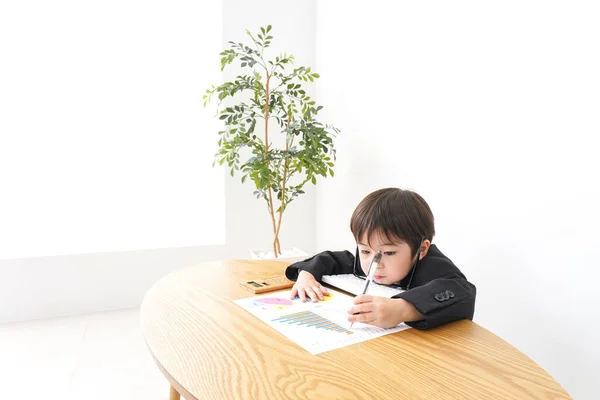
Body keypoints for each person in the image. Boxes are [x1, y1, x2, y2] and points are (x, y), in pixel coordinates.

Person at [285, 188, 476, 330]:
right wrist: (306, 274)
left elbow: (462, 292)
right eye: (365, 251)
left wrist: (404, 309)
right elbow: (333, 259)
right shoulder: (366, 263)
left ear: (422, 249)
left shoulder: (431, 265)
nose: (374, 264)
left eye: (389, 253)